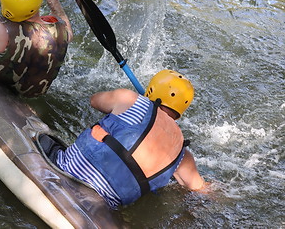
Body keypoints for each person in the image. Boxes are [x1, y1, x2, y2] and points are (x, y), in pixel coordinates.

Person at [40, 69, 206, 209]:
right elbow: (200, 189)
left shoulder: (130, 99)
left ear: (152, 89)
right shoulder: (182, 155)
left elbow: (94, 101)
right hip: (102, 204)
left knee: (44, 136)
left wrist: (132, 102)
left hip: (65, 169)